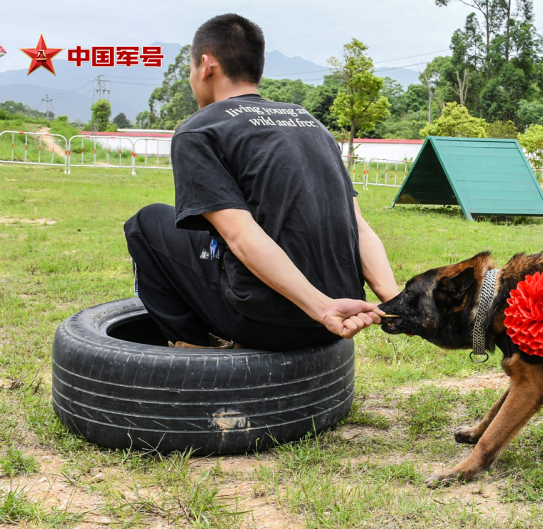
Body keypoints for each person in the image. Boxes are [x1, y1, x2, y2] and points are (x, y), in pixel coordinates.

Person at [124, 14, 398, 350]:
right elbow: (360, 227)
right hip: (337, 318)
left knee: (145, 223)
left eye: (192, 69)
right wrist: (395, 301)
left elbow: (241, 235)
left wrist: (323, 308)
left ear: (206, 65)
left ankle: (194, 348)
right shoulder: (311, 123)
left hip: (268, 322)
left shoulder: (200, 129)